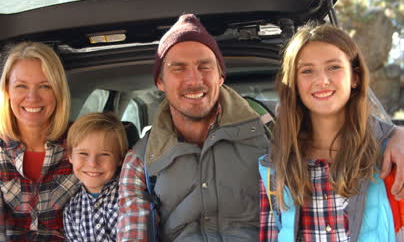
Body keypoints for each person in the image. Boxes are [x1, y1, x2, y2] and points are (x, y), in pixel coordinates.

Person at [117, 14, 404, 242]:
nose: (194, 79)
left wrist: (396, 134)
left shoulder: (271, 131)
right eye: (178, 68)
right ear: (160, 81)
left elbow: (332, 117)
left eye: (205, 66)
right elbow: (133, 234)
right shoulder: (140, 162)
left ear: (220, 76)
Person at [258, 24, 399, 241]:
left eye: (333, 67)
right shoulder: (274, 165)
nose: (322, 80)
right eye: (307, 71)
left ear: (355, 77)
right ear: (293, 83)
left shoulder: (390, 153)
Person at [0, 42, 80, 241]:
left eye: (45, 86)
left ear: (58, 91)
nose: (32, 97)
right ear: (7, 91)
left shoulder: (80, 141)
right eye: (21, 86)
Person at [63, 112, 128, 241]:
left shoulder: (129, 198)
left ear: (120, 158)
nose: (92, 163)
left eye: (104, 154)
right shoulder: (72, 210)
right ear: (70, 156)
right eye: (83, 153)